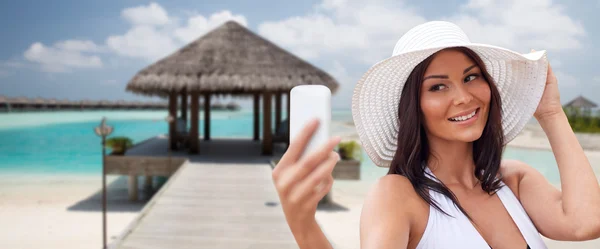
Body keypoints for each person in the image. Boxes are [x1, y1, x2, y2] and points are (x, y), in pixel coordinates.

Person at [271, 21, 600, 249]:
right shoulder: (398, 195)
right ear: (414, 106)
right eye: (438, 86)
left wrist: (551, 114)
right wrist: (304, 225)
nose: (463, 97)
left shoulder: (513, 181)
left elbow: (585, 223)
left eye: (471, 78)